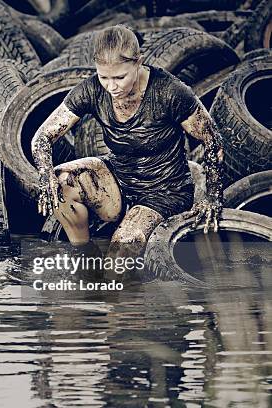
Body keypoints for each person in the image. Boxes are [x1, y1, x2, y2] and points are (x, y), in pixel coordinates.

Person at [31, 25, 224, 259]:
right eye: (104, 77)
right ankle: (82, 254)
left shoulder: (170, 91)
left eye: (120, 77)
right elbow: (42, 137)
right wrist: (45, 176)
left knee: (119, 259)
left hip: (165, 189)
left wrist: (211, 197)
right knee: (61, 180)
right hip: (119, 178)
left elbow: (213, 140)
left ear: (138, 62)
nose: (112, 87)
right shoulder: (92, 89)